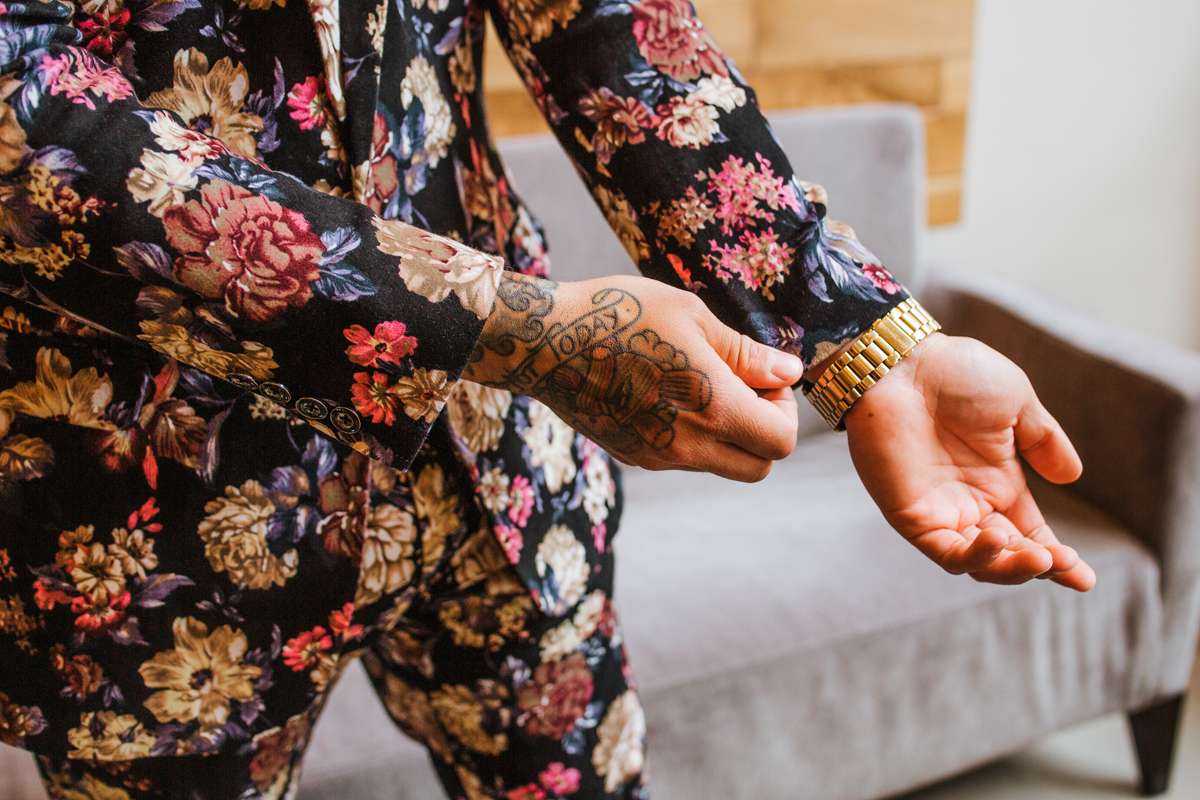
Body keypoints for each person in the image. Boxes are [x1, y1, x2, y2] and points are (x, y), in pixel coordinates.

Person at [0, 0, 1094, 797]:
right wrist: (519, 330)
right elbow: (24, 110)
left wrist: (861, 337)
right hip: (143, 515)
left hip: (499, 462)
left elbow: (606, 22)